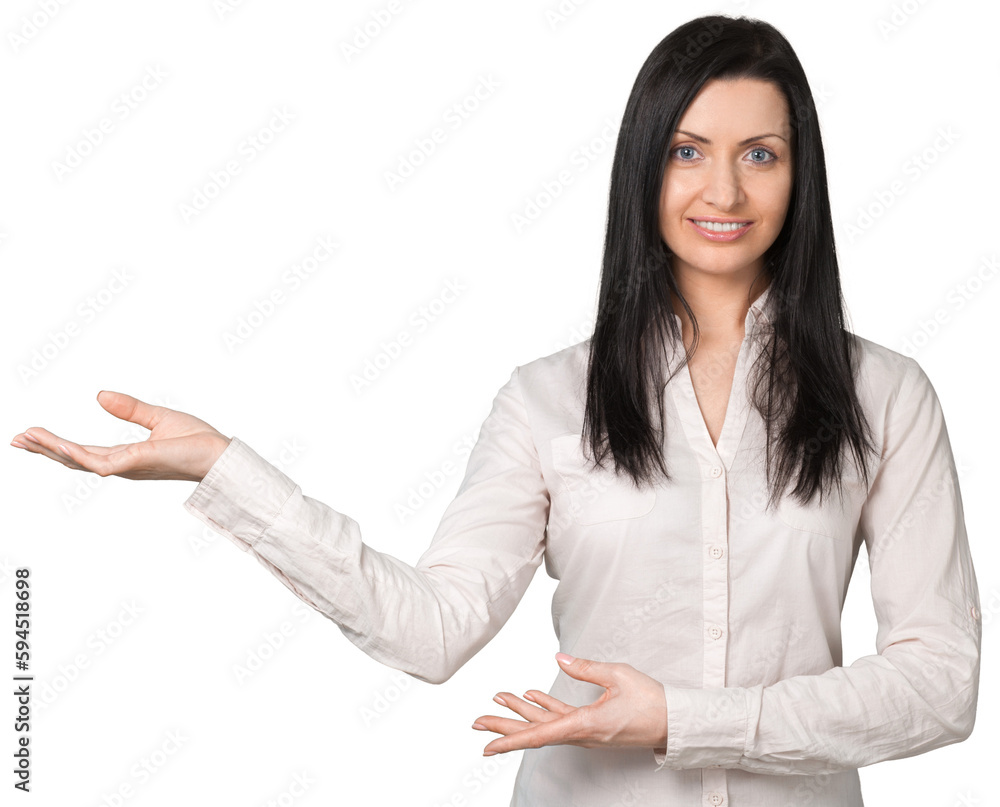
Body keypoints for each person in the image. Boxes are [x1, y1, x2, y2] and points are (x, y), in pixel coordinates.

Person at [10, 14, 981, 807]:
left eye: (759, 153)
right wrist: (224, 468)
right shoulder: (547, 399)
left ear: (799, 173)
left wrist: (685, 719)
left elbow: (941, 683)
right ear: (643, 166)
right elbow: (432, 629)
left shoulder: (885, 395)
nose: (722, 189)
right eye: (688, 150)